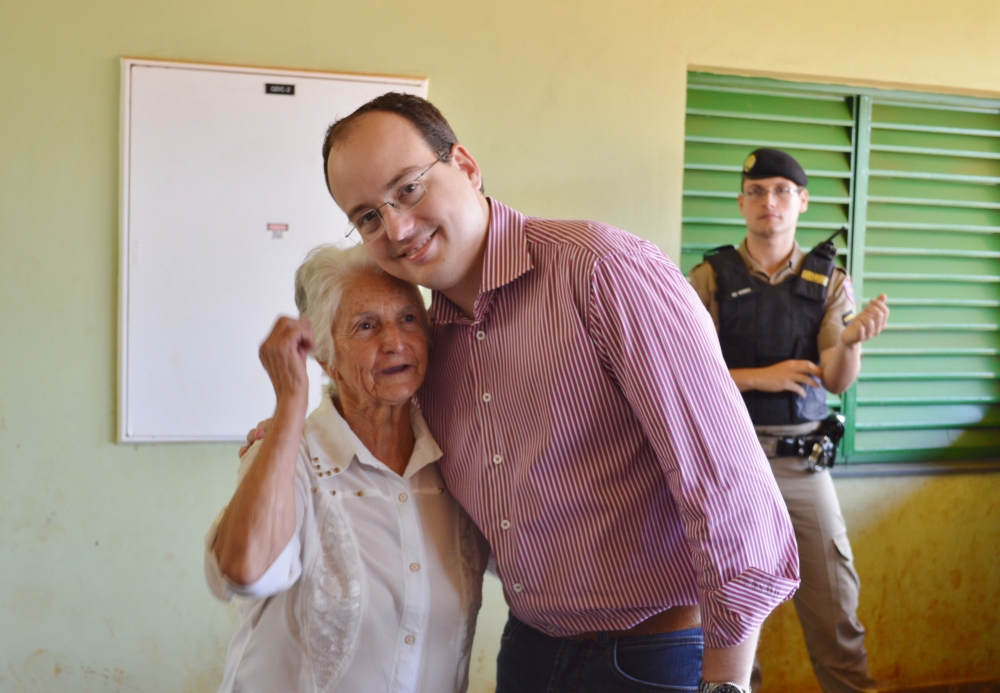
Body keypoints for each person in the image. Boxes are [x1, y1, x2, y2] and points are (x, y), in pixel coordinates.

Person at [249, 94, 799, 693]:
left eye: (408, 188)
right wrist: (292, 435)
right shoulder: (430, 343)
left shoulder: (601, 271)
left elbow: (728, 487)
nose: (397, 228)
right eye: (367, 217)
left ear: (465, 165)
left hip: (653, 656)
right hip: (530, 651)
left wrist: (726, 682)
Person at [206, 244, 489, 693]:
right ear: (325, 356)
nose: (395, 342)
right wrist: (289, 404)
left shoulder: (458, 460)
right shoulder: (290, 456)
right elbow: (246, 569)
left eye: (408, 319)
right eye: (366, 326)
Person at [687, 148, 890, 693]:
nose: (768, 202)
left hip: (802, 465)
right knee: (725, 618)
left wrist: (851, 342)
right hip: (729, 463)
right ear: (741, 203)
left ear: (802, 201)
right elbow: (688, 375)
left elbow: (835, 379)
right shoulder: (708, 277)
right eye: (756, 191)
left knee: (836, 611)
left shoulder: (829, 281)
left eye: (781, 190)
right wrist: (762, 377)